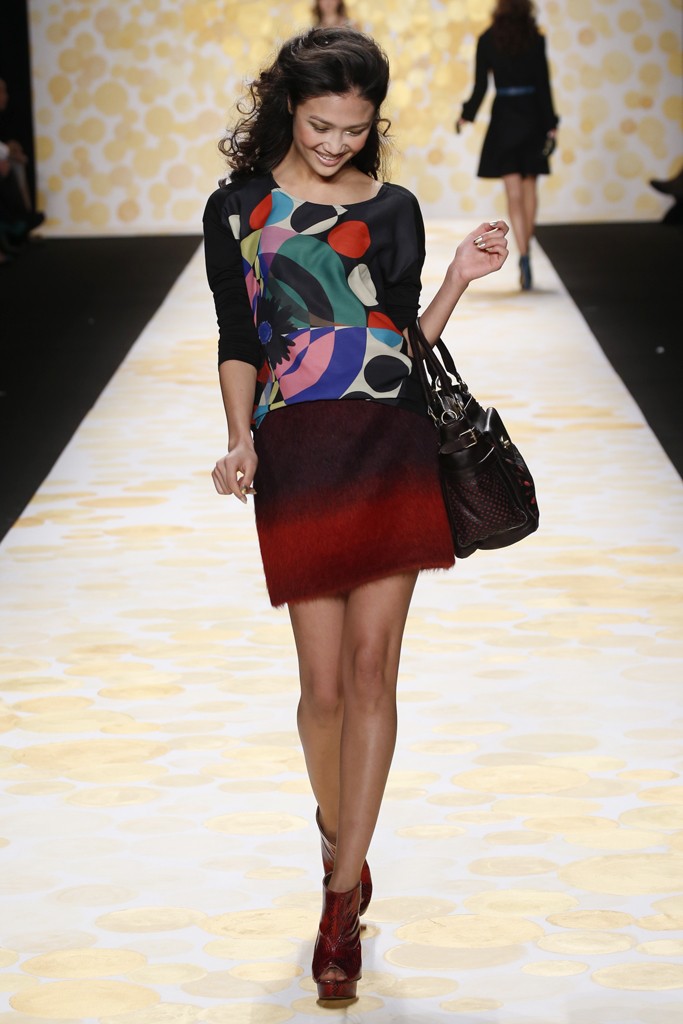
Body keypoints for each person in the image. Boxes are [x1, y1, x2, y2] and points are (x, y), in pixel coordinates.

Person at [203, 26, 508, 1001]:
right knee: (322, 687)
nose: (337, 143)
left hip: (390, 443)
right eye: (320, 125)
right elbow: (239, 334)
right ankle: (342, 833)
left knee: (374, 670)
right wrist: (240, 436)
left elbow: (401, 337)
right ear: (287, 109)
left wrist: (456, 278)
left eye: (355, 128)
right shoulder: (239, 207)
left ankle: (339, 907)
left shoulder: (392, 208)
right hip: (298, 451)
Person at [456, 0, 558, 290]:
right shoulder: (535, 38)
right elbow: (543, 84)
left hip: (505, 119)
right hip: (533, 117)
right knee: (530, 189)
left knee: (513, 193)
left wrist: (466, 115)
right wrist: (551, 124)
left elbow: (481, 86)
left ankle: (522, 255)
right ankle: (526, 252)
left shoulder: (488, 39)